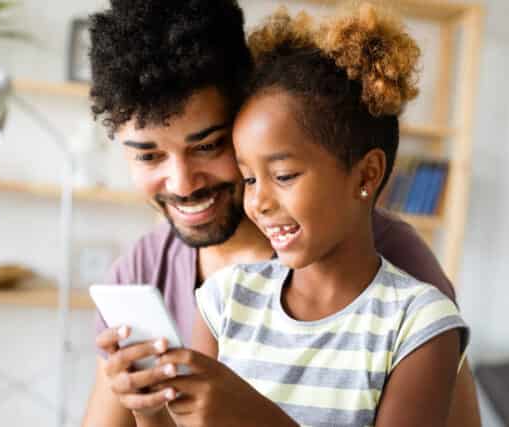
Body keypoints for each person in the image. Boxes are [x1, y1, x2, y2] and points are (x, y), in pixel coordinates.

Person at [80, 1, 482, 426]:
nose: (181, 184)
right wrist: (148, 408)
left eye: (207, 146)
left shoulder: (403, 282)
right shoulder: (187, 286)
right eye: (148, 155)